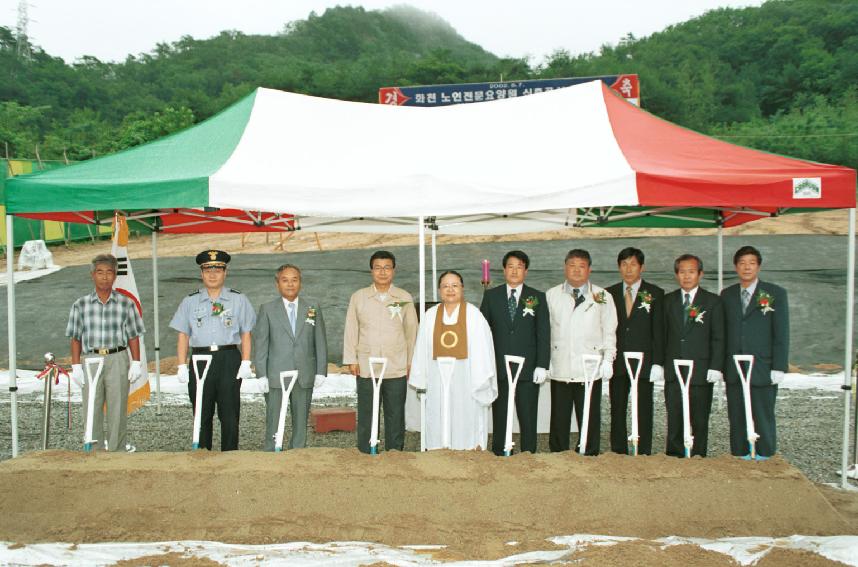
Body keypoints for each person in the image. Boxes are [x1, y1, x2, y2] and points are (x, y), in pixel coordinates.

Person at [169, 250, 255, 451]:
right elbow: (183, 334)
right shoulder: (190, 301)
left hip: (228, 358)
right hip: (200, 359)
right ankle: (202, 455)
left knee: (230, 413)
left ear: (225, 272)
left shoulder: (238, 300)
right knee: (201, 410)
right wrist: (182, 365)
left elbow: (246, 333)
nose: (213, 274)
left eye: (218, 269)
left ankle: (230, 456)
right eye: (208, 269)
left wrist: (246, 361)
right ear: (201, 273)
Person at [410, 271, 497, 450]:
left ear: (462, 288)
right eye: (445, 286)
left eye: (455, 285)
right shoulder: (430, 315)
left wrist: (480, 379)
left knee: (464, 414)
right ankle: (438, 451)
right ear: (439, 290)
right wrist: (422, 377)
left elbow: (483, 348)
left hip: (466, 377)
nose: (450, 290)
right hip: (437, 376)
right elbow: (421, 348)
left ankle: (467, 450)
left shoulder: (474, 315)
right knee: (438, 413)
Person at [67, 254, 145, 452]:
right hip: (91, 358)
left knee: (117, 407)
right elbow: (75, 337)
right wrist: (76, 365)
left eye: (109, 272)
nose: (104, 277)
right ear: (92, 275)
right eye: (100, 272)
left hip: (117, 358)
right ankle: (94, 450)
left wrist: (136, 362)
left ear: (115, 275)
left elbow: (133, 336)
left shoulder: (125, 304)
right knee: (91, 406)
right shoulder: (80, 304)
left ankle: (117, 451)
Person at [343, 250, 418, 453]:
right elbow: (351, 328)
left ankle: (394, 453)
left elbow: (412, 332)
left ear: (394, 270)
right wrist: (351, 359)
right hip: (367, 366)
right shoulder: (359, 297)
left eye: (387, 267)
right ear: (371, 271)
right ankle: (366, 452)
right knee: (367, 412)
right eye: (378, 267)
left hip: (396, 366)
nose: (382, 272)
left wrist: (411, 361)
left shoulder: (403, 297)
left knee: (395, 413)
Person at [546, 249, 617, 455]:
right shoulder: (552, 295)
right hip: (561, 365)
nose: (576, 270)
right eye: (572, 265)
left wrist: (608, 359)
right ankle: (558, 454)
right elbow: (545, 331)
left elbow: (609, 330)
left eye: (582, 266)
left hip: (590, 367)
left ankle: (589, 451)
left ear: (589, 270)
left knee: (589, 415)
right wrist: (545, 360)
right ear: (565, 267)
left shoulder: (602, 296)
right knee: (559, 415)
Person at [721, 245, 789, 458]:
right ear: (736, 267)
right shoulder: (727, 294)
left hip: (762, 366)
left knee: (763, 413)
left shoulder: (775, 293)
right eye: (742, 263)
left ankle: (765, 455)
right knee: (737, 413)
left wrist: (779, 366)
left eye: (751, 263)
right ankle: (739, 455)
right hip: (734, 365)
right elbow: (723, 332)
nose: (746, 267)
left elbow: (781, 333)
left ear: (758, 266)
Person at [480, 250, 550, 455]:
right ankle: (500, 453)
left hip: (528, 369)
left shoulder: (537, 297)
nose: (514, 270)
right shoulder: (491, 296)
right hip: (500, 368)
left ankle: (528, 454)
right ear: (503, 270)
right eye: (510, 266)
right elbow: (484, 333)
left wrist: (542, 365)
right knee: (501, 415)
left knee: (527, 415)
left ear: (526, 271)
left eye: (519, 266)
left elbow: (543, 334)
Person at [253, 264, 328, 451]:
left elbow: (320, 341)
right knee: (274, 419)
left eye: (294, 280)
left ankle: (297, 454)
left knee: (301, 419)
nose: (290, 284)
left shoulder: (312, 307)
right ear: (277, 284)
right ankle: (272, 451)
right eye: (285, 280)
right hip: (276, 375)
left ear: (300, 283)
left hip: (304, 374)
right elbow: (261, 344)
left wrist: (321, 371)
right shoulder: (267, 309)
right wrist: (261, 374)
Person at [663, 254, 725, 457]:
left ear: (700, 274)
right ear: (676, 274)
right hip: (674, 370)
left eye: (691, 271)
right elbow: (661, 335)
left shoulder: (712, 302)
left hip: (700, 371)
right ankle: (674, 456)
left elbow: (718, 337)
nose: (686, 276)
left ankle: (698, 457)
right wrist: (659, 364)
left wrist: (716, 366)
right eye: (682, 272)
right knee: (675, 417)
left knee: (699, 419)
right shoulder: (667, 301)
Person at [606, 247, 665, 455]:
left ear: (642, 267)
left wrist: (658, 362)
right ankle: (618, 450)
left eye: (632, 264)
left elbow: (658, 331)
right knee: (618, 408)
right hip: (617, 361)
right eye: (624, 264)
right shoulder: (609, 293)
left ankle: (644, 449)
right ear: (619, 267)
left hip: (644, 361)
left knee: (643, 408)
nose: (628, 269)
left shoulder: (656, 294)